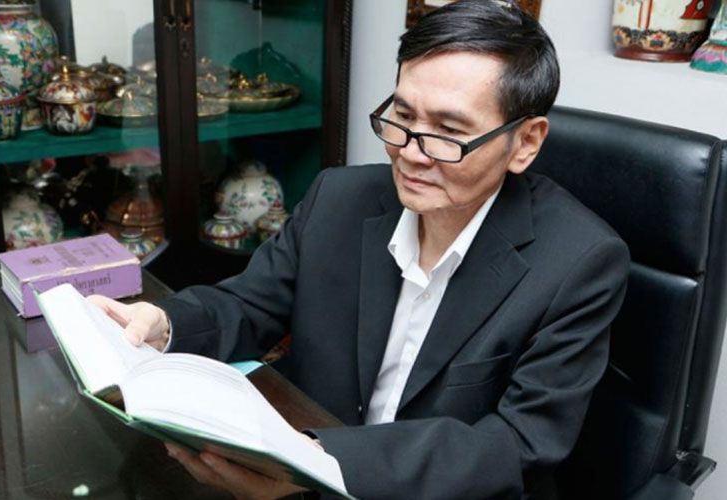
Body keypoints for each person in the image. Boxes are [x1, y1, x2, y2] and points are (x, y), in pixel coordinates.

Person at [90, 1, 630, 498]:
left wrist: (319, 462)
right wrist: (163, 323)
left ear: (525, 142)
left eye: (448, 132)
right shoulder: (339, 198)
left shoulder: (580, 262)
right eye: (402, 117)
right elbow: (249, 305)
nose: (411, 153)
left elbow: (518, 442)